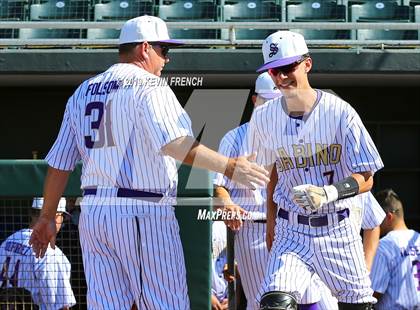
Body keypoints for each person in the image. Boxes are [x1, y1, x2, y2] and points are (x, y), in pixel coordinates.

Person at [28, 15, 269, 310]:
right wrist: (230, 167)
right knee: (165, 304)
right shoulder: (150, 86)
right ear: (144, 48)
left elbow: (59, 164)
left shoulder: (83, 91)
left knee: (107, 305)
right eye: (163, 51)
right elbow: (177, 144)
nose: (166, 60)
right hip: (141, 209)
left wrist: (46, 216)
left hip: (93, 215)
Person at [249, 30, 383, 310]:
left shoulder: (340, 112)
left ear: (307, 64)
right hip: (291, 229)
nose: (282, 77)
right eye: (274, 71)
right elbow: (273, 172)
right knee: (275, 304)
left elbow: (367, 177)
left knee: (357, 306)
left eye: (288, 68)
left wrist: (328, 192)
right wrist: (272, 221)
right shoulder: (263, 117)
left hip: (336, 228)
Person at [214, 72, 282, 310]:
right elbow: (217, 186)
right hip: (254, 230)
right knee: (263, 302)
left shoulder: (297, 135)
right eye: (268, 100)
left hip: (293, 227)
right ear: (255, 100)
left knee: (316, 300)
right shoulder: (235, 138)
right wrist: (227, 203)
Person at [0, 198, 76, 310]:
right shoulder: (51, 254)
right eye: (62, 217)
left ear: (32, 214)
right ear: (54, 217)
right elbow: (60, 306)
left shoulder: (8, 241)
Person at [370, 189, 420, 309]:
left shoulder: (384, 245)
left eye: (376, 218)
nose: (374, 223)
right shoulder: (418, 238)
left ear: (389, 217)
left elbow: (373, 294)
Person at [211, 221, 229, 310]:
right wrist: (206, 295)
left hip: (227, 299)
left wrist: (232, 298)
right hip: (200, 298)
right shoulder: (193, 228)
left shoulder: (224, 225)